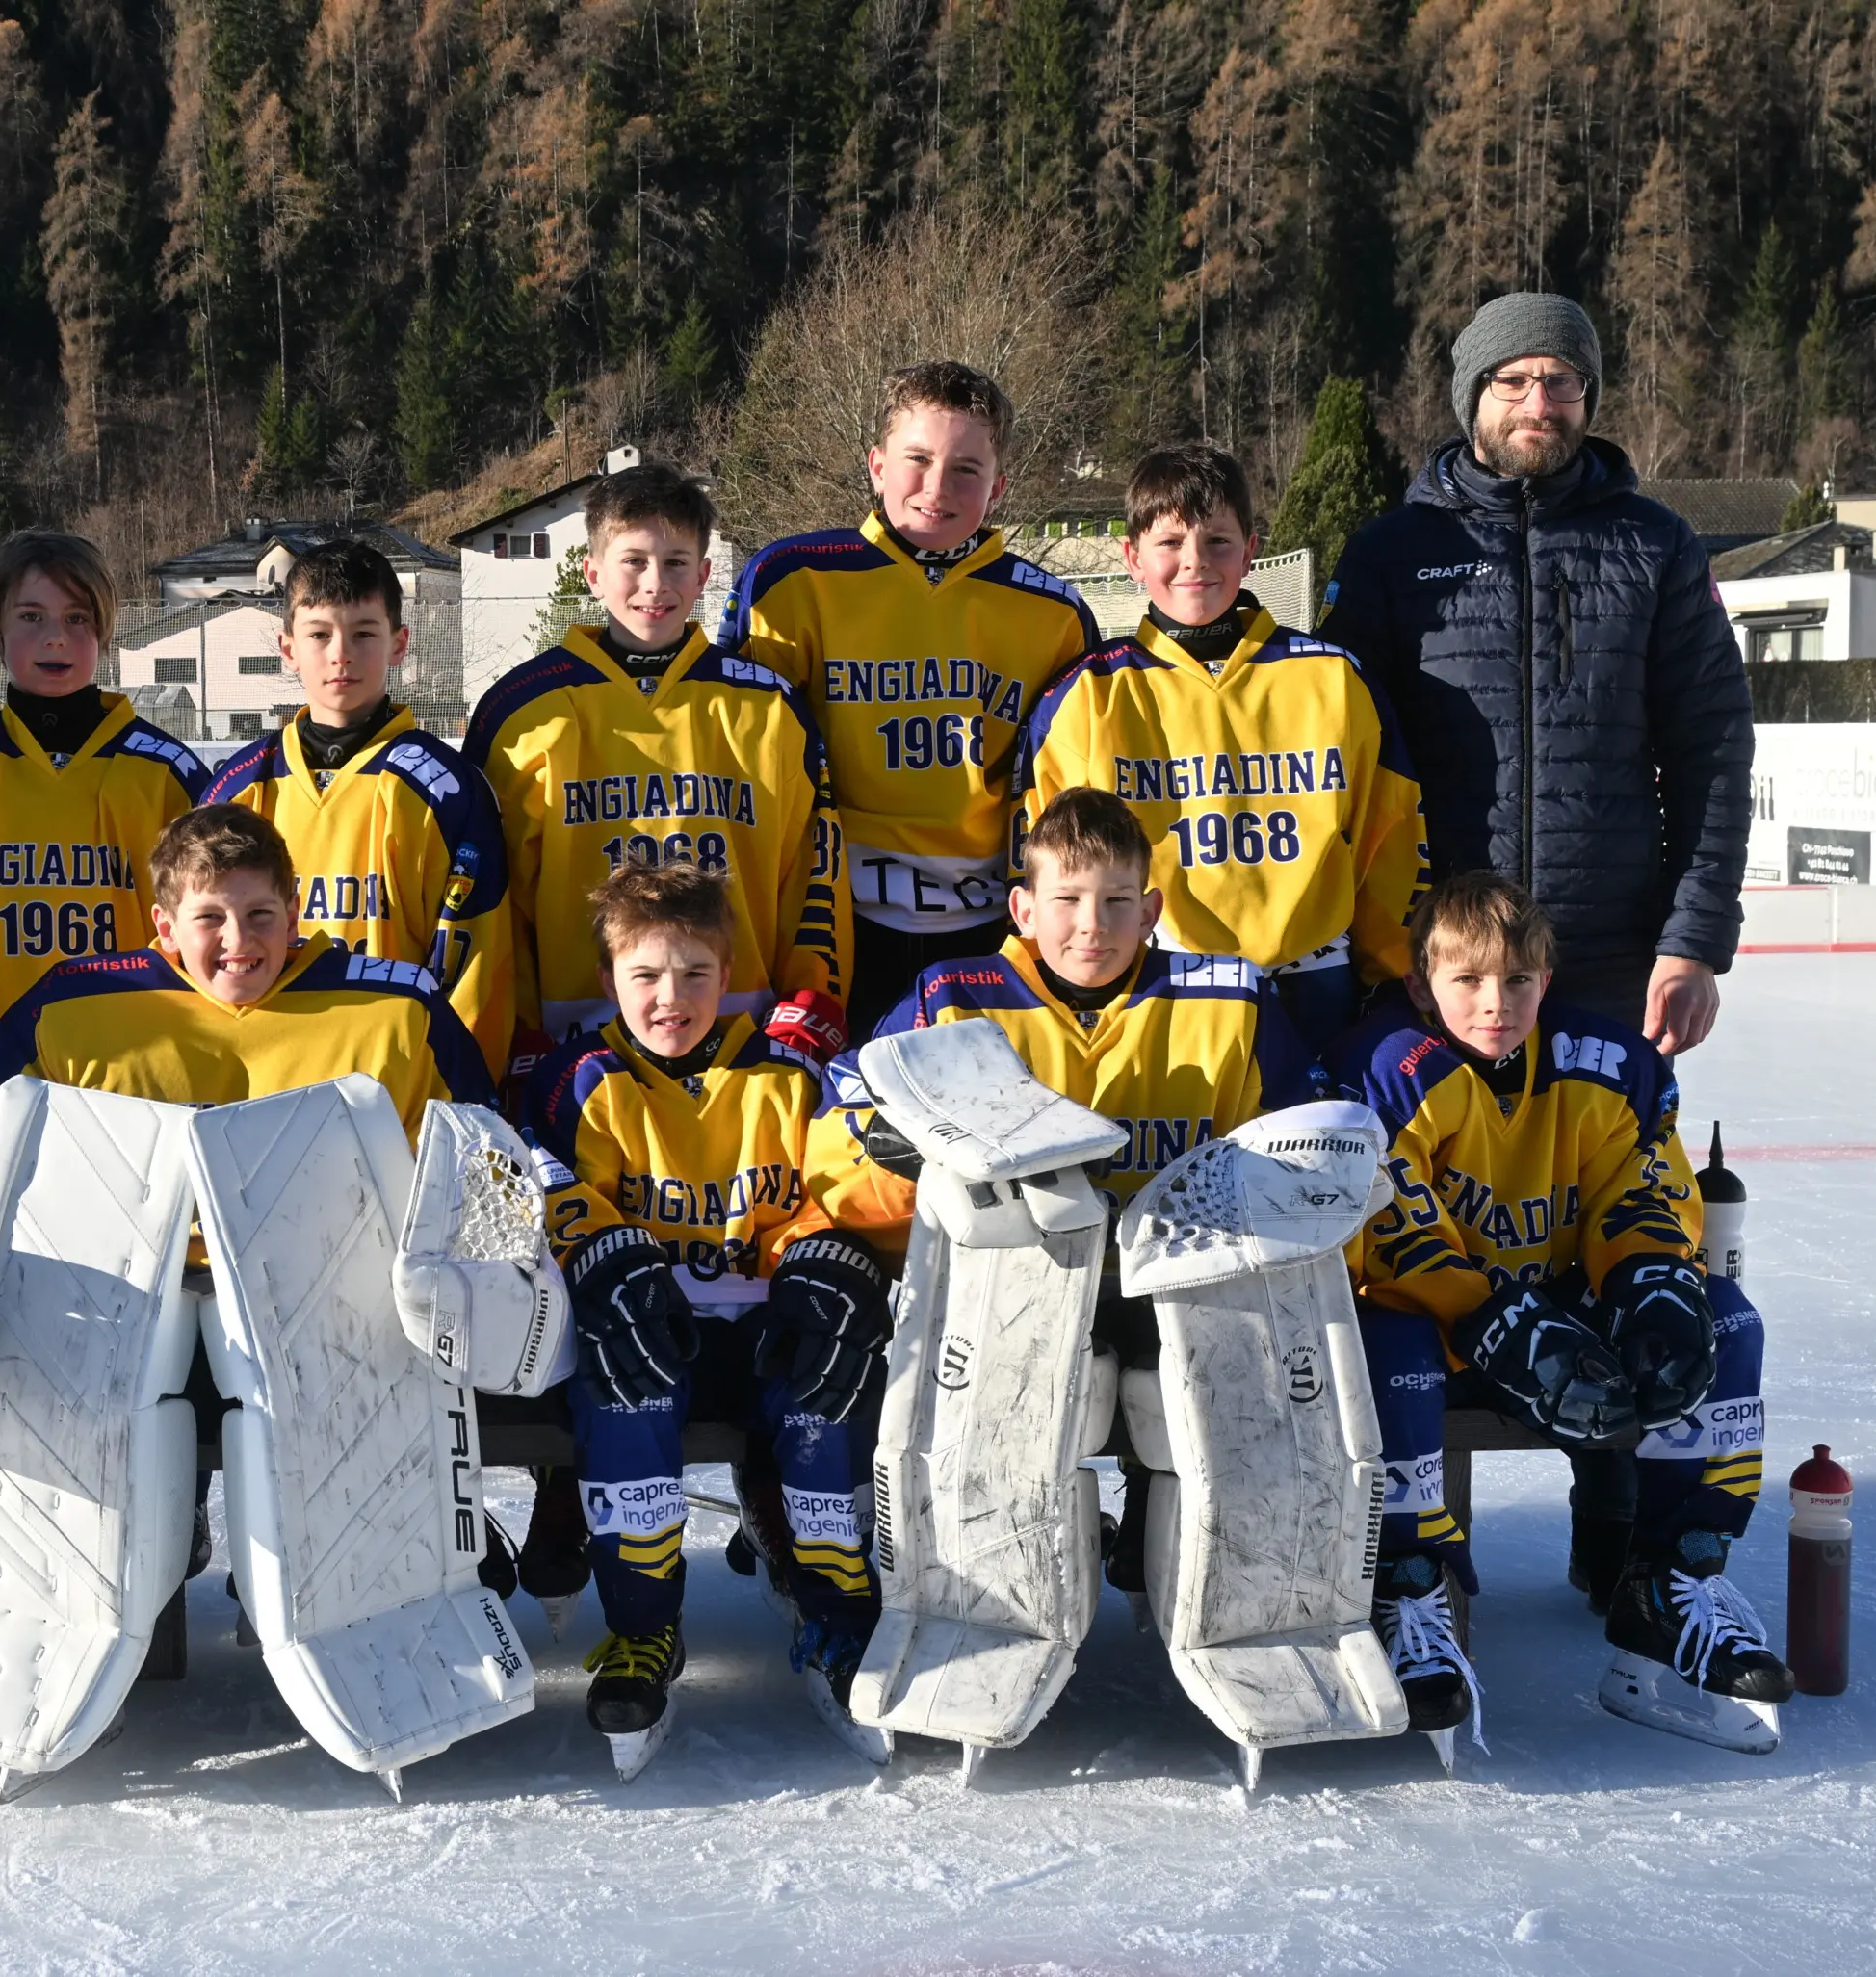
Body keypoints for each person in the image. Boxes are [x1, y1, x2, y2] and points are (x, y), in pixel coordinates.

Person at [1316, 290, 1756, 1599]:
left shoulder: (1654, 545)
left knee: (1609, 1217)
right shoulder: (1393, 552)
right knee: (1433, 1218)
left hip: (1606, 951)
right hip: (1437, 963)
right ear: (1470, 397)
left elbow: (1713, 750)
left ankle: (1621, 1530)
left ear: (1589, 398)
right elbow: (1345, 754)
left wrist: (1696, 937)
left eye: (1561, 381)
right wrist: (1383, 943)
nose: (1538, 403)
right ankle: (1422, 1536)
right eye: (1512, 381)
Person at [803, 787, 1323, 1588]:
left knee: (1215, 1387)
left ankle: (1200, 1565)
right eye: (1068, 900)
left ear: (1151, 909)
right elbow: (838, 1128)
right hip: (1016, 1295)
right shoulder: (951, 1000)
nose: (1092, 925)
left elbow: (1309, 1136)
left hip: (1181, 1295)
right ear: (1022, 908)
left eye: (1117, 901)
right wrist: (904, 1151)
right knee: (1019, 1402)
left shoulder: (1233, 998)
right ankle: (1005, 1575)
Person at [1334, 871, 1787, 1753]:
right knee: (1384, 1341)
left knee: (1726, 1321)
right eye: (1468, 979)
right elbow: (1387, 1228)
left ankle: (1672, 1580)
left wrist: (1653, 1282)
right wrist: (1492, 1318)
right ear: (1422, 984)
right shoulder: (1385, 1066)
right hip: (1444, 1327)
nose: (1495, 1002)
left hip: (1563, 1322)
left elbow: (1643, 1187)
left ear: (1546, 979)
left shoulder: (1608, 1061)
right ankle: (1408, 1586)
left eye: (1517, 980)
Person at [519, 862, 893, 1769]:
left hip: (768, 1325)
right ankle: (643, 1629)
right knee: (625, 1400)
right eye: (645, 974)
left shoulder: (790, 1071)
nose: (670, 997)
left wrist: (824, 1252)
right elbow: (544, 1183)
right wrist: (602, 1256)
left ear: (728, 975)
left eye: (694, 974)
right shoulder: (581, 1077)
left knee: (828, 1405)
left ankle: (842, 1620)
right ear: (608, 979)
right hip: (650, 1329)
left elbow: (835, 1180)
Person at [716, 362, 1095, 1033]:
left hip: (991, 924)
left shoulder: (1053, 612)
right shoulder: (790, 581)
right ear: (877, 466)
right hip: (833, 922)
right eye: (917, 459)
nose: (936, 488)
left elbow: (1067, 794)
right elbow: (739, 766)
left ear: (998, 487)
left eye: (966, 470)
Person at [0, 803, 494, 1236]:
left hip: (339, 1288)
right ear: (165, 928)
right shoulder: (69, 1006)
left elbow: (483, 1162)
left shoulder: (398, 1009)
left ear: (293, 916)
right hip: (121, 1298)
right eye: (210, 917)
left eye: (260, 914)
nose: (238, 940)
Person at [1022, 443, 1431, 1052]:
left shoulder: (1335, 679)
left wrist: (1391, 975)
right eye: (1170, 542)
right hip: (1161, 985)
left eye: (1217, 540)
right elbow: (1041, 863)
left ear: (1250, 549)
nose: (1194, 561)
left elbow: (1391, 840)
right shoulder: (1087, 694)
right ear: (1132, 557)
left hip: (1315, 986)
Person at [465, 460, 847, 1075]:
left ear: (703, 575)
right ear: (593, 573)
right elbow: (494, 899)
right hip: (577, 1050)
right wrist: (517, 1029)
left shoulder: (769, 706)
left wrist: (811, 999)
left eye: (675, 563)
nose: (655, 583)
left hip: (743, 1039)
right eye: (634, 561)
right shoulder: (521, 711)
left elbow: (814, 872)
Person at [0, 530, 208, 1189]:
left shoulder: (168, 777)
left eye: (77, 618)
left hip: (126, 1080)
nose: (55, 638)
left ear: (105, 631)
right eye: (31, 616)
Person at [205, 536, 515, 1074]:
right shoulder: (239, 788)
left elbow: (475, 971)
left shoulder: (448, 791)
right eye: (319, 634)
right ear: (287, 649)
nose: (340, 653)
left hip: (395, 1081)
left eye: (364, 633)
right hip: (265, 1080)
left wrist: (456, 1089)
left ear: (399, 643)